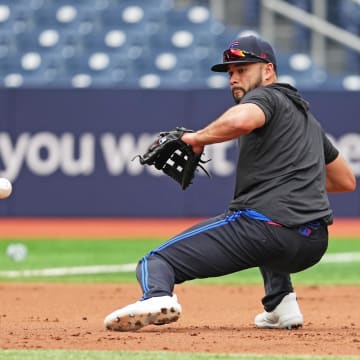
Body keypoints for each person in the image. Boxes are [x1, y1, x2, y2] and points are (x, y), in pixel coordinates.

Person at [104, 35, 356, 331]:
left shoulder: (265, 97)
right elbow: (345, 180)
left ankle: (157, 296)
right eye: (231, 72)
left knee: (155, 261)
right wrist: (294, 181)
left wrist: (195, 138)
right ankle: (281, 305)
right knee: (270, 226)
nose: (234, 78)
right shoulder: (307, 120)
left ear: (268, 71)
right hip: (313, 243)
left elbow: (242, 121)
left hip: (264, 231)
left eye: (243, 69)